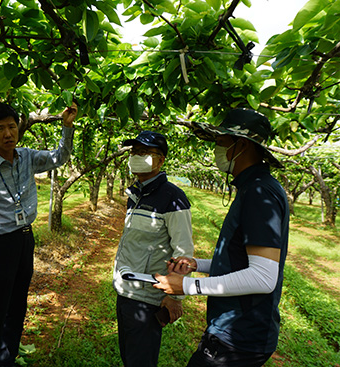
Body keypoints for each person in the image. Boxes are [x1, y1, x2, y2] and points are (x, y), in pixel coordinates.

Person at [153, 109, 289, 367]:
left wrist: (188, 286)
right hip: (236, 331)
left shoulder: (259, 192)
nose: (216, 150)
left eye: (220, 142)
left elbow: (263, 277)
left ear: (242, 145)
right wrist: (197, 264)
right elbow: (241, 261)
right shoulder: (253, 187)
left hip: (239, 337)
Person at [0, 102, 78, 366]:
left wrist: (67, 127)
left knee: (17, 303)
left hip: (25, 239)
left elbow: (59, 157)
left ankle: (7, 357)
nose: (8, 133)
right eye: (0, 128)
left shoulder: (27, 157)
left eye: (12, 126)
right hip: (0, 244)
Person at [112, 131, 194, 367]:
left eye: (145, 152)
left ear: (161, 160)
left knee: (141, 360)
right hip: (126, 290)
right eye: (135, 152)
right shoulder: (135, 193)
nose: (137, 156)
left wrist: (174, 297)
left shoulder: (173, 199)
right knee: (128, 355)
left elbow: (183, 250)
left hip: (148, 297)